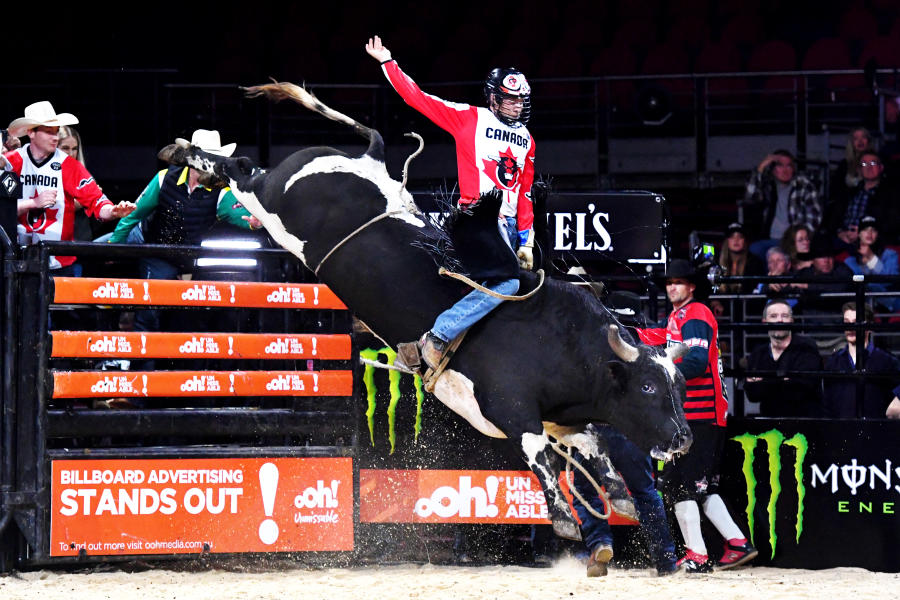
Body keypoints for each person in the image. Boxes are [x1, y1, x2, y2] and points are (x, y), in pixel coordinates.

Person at [366, 35, 535, 370]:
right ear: (493, 98)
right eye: (511, 99)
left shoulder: (527, 140)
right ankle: (438, 336)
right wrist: (388, 62)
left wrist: (527, 241)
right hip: (478, 220)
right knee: (510, 283)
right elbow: (419, 99)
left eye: (522, 100)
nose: (518, 105)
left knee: (524, 286)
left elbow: (525, 192)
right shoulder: (469, 118)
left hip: (510, 227)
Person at [643, 259, 757, 573]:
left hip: (700, 415)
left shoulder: (694, 314)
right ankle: (736, 543)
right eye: (668, 283)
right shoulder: (680, 316)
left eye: (678, 282)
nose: (672, 287)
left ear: (692, 286)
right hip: (700, 415)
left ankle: (698, 554)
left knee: (679, 484)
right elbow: (673, 345)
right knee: (698, 485)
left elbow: (696, 361)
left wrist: (657, 372)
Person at [108, 129, 261, 356]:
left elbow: (243, 217)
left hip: (179, 258)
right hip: (150, 243)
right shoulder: (163, 179)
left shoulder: (220, 191)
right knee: (146, 312)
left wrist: (254, 223)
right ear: (193, 159)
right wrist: (112, 248)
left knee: (162, 315)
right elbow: (133, 215)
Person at [3, 101, 135, 275]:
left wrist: (113, 211)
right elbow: (4, 210)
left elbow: (97, 201)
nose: (55, 137)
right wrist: (33, 203)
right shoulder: (11, 162)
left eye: (56, 131)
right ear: (31, 133)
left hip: (59, 263)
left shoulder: (70, 166)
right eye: (48, 132)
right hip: (16, 259)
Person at [572, 423, 678, 577]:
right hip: (633, 432)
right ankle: (666, 560)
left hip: (593, 433)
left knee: (584, 492)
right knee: (645, 494)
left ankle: (600, 543)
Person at [744, 299, 823, 417]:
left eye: (784, 316)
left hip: (804, 424)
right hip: (771, 427)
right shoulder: (758, 353)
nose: (779, 320)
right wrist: (785, 380)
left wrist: (765, 382)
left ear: (791, 320)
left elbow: (801, 390)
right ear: (765, 321)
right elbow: (752, 394)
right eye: (773, 316)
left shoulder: (807, 347)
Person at [742, 149, 822, 261]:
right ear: (773, 170)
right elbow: (750, 196)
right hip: (770, 240)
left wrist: (801, 240)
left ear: (793, 169)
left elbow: (814, 218)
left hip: (793, 241)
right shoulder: (768, 184)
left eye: (789, 166)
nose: (785, 170)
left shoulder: (804, 185)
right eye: (780, 165)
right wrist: (761, 168)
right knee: (754, 250)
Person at [823, 302, 900, 418]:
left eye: (856, 322)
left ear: (868, 326)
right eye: (847, 322)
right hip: (841, 431)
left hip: (876, 432)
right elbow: (827, 403)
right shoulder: (833, 362)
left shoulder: (887, 361)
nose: (851, 327)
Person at [824, 151, 899, 249]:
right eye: (864, 164)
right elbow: (832, 220)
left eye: (873, 163)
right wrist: (840, 233)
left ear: (881, 168)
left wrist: (864, 232)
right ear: (859, 170)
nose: (868, 167)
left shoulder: (891, 195)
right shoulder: (848, 194)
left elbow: (892, 224)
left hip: (873, 242)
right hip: (842, 240)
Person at [843, 216, 900, 311]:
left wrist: (871, 257)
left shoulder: (890, 255)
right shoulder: (850, 260)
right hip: (860, 306)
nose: (869, 233)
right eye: (865, 230)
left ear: (878, 234)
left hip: (888, 305)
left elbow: (890, 279)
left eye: (873, 230)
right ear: (859, 234)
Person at [56, 125, 94, 242]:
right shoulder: (47, 173)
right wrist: (84, 199)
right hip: (57, 240)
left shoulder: (82, 174)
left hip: (82, 240)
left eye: (74, 148)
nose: (71, 153)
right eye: (66, 148)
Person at [831, 127, 875, 193]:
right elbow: (836, 188)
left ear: (868, 141)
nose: (860, 141)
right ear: (851, 143)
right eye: (856, 138)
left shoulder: (875, 162)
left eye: (863, 137)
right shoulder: (844, 164)